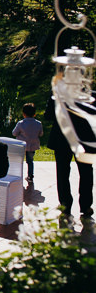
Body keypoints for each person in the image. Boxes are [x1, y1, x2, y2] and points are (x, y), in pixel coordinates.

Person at [45, 92, 94, 220]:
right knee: (86, 173)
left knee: (62, 173)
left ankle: (65, 206)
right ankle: (86, 205)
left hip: (62, 139)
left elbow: (48, 115)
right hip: (84, 140)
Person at [13, 103, 43, 183]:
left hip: (22, 146)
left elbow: (14, 133)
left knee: (19, 161)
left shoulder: (21, 123)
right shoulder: (38, 123)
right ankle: (30, 176)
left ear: (23, 114)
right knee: (30, 161)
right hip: (32, 146)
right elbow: (41, 134)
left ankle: (18, 176)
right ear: (34, 114)